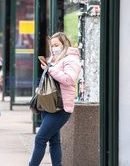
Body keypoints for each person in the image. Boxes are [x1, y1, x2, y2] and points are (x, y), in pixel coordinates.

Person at [29, 32, 81, 166]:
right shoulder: (55, 59)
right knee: (54, 142)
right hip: (49, 105)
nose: (53, 48)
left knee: (40, 139)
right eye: (51, 45)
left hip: (61, 107)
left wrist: (50, 70)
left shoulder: (71, 59)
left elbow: (69, 79)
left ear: (65, 44)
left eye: (56, 45)